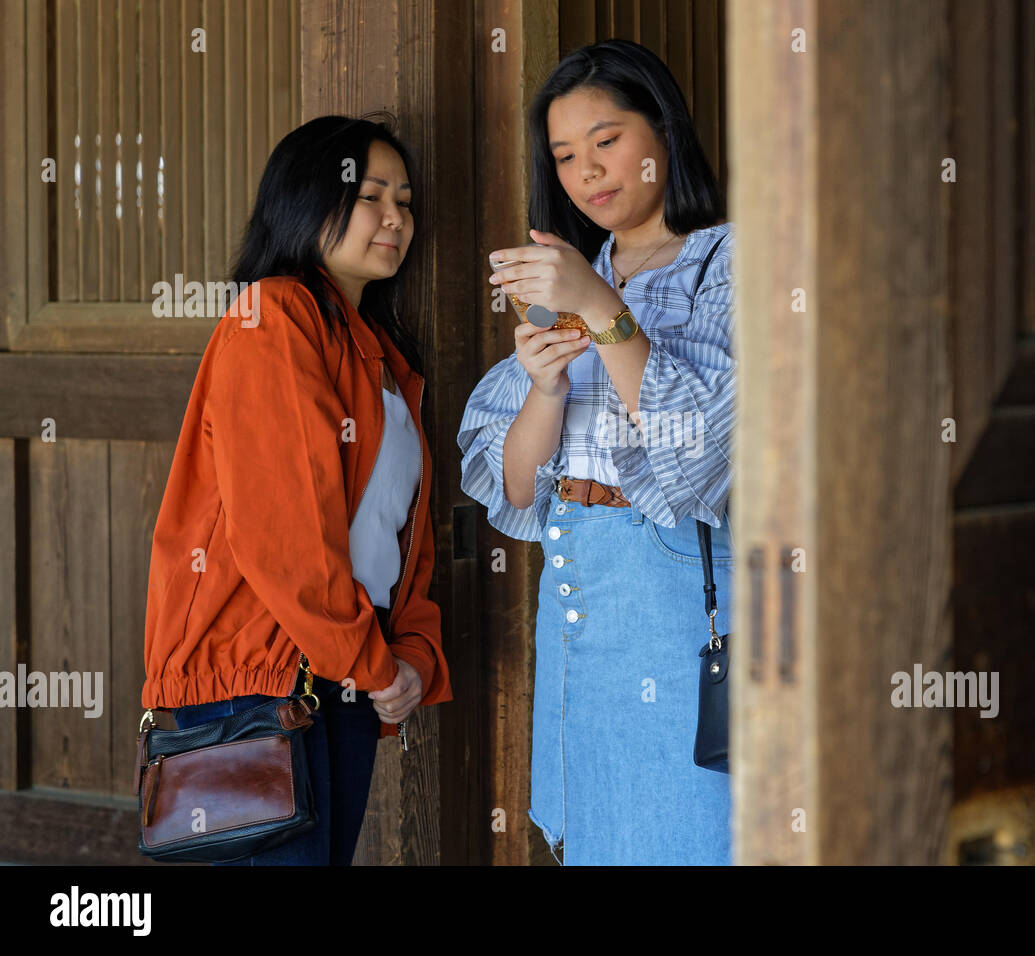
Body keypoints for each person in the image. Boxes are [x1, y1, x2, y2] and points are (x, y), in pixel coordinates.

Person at [140, 115, 452, 865]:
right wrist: (377, 666)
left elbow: (397, 535)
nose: (395, 218)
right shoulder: (272, 316)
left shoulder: (382, 357)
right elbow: (285, 537)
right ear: (304, 202)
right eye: (371, 195)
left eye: (405, 201)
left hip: (340, 673)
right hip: (256, 683)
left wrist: (411, 656)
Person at [459, 39, 735, 865]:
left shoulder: (731, 261)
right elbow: (515, 489)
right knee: (599, 837)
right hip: (578, 589)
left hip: (676, 591)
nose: (587, 172)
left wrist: (600, 307)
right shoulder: (573, 273)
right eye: (565, 155)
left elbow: (698, 451)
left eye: (607, 140)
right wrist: (543, 386)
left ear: (664, 131)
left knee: (689, 829)